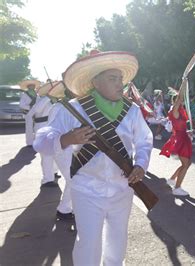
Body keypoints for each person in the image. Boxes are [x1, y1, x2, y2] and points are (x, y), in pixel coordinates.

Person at [33, 50, 153, 265]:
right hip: (86, 189)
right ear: (95, 82)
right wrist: (67, 138)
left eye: (121, 79)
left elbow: (144, 141)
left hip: (123, 188)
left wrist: (141, 165)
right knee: (88, 243)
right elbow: (41, 140)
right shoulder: (73, 109)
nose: (120, 85)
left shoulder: (132, 110)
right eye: (112, 78)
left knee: (118, 241)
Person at [160, 82, 193, 196]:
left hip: (183, 137)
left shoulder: (180, 112)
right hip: (180, 139)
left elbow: (180, 126)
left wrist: (187, 131)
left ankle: (172, 180)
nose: (182, 101)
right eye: (180, 100)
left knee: (187, 163)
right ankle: (177, 188)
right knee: (186, 164)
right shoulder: (174, 111)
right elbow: (180, 98)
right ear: (176, 102)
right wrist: (184, 83)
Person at [30, 82, 63, 188]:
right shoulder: (41, 98)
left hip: (55, 129)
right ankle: (47, 180)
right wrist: (48, 97)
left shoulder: (58, 100)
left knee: (56, 152)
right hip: (42, 128)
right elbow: (37, 110)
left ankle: (53, 173)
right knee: (47, 155)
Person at [18, 79, 40, 146]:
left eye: (33, 85)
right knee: (29, 128)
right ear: (28, 86)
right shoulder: (25, 94)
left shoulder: (37, 94)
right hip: (29, 113)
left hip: (37, 113)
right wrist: (31, 108)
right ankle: (29, 143)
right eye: (30, 85)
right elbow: (21, 105)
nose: (32, 86)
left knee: (37, 128)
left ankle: (36, 141)